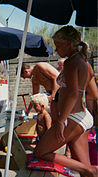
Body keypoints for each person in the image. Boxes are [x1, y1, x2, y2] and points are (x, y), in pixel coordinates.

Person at [34, 25, 97, 177]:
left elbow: (74, 93)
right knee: (84, 168)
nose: (56, 50)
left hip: (71, 118)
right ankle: (89, 171)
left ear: (69, 43)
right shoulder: (84, 63)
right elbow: (94, 93)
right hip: (83, 117)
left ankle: (91, 170)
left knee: (40, 152)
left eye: (58, 46)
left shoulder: (70, 62)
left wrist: (61, 121)